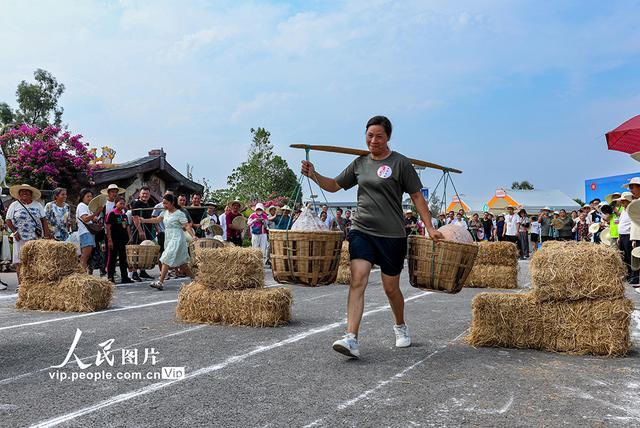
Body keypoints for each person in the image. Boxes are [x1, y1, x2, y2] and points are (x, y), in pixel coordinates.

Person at [301, 115, 444, 359]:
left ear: (388, 137)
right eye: (369, 135)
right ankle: (351, 338)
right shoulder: (360, 163)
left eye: (379, 135)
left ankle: (400, 325)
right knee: (358, 279)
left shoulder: (401, 163)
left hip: (392, 234)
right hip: (362, 230)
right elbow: (335, 185)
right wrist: (314, 174)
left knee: (391, 288)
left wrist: (429, 227)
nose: (373, 140)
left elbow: (417, 196)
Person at [140, 194, 196, 290]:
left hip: (177, 237)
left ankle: (160, 282)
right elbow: (157, 219)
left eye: (166, 203)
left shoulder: (179, 213)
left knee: (166, 258)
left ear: (172, 203)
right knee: (182, 263)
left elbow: (186, 226)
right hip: (169, 237)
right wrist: (144, 220)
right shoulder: (164, 212)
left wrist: (193, 236)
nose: (164, 205)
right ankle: (195, 279)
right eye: (163, 203)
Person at [5, 184, 51, 287]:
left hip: (35, 238)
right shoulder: (14, 205)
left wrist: (47, 236)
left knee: (34, 260)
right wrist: (14, 232)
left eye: (27, 191)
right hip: (20, 238)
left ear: (31, 194)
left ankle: (33, 284)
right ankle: (21, 285)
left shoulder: (38, 205)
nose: (24, 193)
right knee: (19, 261)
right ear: (19, 194)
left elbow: (44, 221)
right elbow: (8, 220)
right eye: (22, 191)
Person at [106, 196, 133, 284]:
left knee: (123, 258)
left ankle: (124, 277)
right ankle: (110, 277)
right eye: (120, 203)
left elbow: (127, 227)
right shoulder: (111, 214)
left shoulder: (124, 215)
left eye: (123, 203)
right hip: (114, 239)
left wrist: (130, 237)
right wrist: (109, 240)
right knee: (112, 258)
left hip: (123, 239)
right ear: (116, 203)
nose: (122, 205)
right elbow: (108, 227)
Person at [130, 186, 155, 281]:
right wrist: (140, 231)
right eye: (143, 193)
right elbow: (135, 218)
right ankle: (134, 273)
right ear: (140, 194)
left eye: (147, 194)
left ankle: (143, 271)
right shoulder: (136, 203)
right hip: (138, 230)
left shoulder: (148, 204)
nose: (145, 195)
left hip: (148, 229)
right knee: (136, 251)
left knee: (145, 251)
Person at [76, 188, 102, 272]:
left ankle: (84, 273)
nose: (90, 198)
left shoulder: (86, 207)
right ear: (82, 197)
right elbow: (85, 219)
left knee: (87, 256)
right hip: (85, 233)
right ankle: (82, 274)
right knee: (85, 256)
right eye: (88, 196)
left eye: (91, 196)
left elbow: (90, 218)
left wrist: (95, 215)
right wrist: (96, 212)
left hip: (88, 233)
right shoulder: (82, 205)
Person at [616, 192, 633, 282]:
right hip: (622, 235)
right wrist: (619, 236)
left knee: (629, 255)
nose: (622, 202)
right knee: (623, 256)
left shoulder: (632, 209)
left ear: (628, 201)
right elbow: (621, 223)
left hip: (628, 235)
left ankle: (632, 275)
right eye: (621, 201)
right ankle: (627, 273)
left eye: (623, 201)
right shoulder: (623, 210)